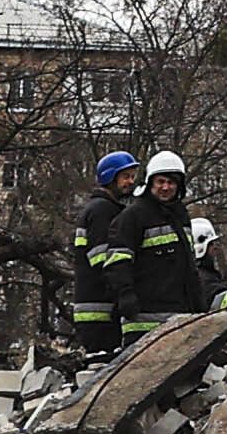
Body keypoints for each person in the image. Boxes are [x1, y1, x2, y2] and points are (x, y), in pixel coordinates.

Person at [65, 150, 141, 355]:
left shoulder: (100, 208)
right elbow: (103, 260)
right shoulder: (103, 211)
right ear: (110, 177)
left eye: (132, 177)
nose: (130, 182)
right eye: (125, 177)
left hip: (94, 309)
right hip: (99, 311)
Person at [124, 152, 205, 321]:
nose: (166, 187)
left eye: (171, 182)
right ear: (150, 183)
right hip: (144, 317)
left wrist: (199, 305)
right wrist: (125, 296)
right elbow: (118, 263)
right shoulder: (134, 215)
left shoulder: (181, 216)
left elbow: (189, 265)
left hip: (179, 315)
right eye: (160, 181)